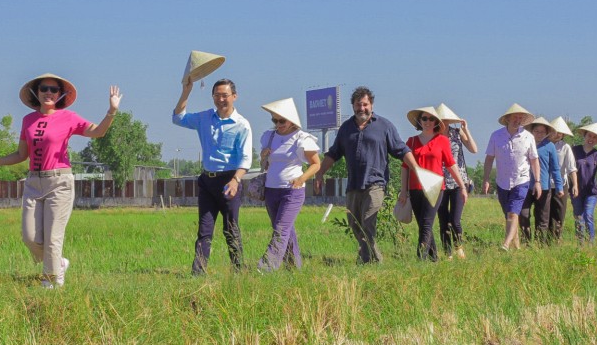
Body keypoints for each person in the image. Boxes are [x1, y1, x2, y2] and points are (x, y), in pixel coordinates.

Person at [0, 74, 121, 288]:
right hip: (33, 183)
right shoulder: (28, 120)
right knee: (29, 237)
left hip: (59, 182)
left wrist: (112, 111)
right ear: (36, 93)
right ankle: (59, 263)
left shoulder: (68, 117)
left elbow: (98, 132)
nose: (48, 92)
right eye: (44, 88)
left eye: (54, 90)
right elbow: (21, 154)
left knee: (53, 238)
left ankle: (51, 282)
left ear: (60, 95)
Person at [315, 86, 418, 264]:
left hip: (376, 183)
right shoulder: (346, 128)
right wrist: (319, 174)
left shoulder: (384, 126)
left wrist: (416, 168)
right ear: (353, 106)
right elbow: (333, 153)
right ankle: (365, 257)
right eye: (358, 105)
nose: (361, 108)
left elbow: (401, 149)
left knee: (368, 221)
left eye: (365, 104)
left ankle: (374, 261)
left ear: (371, 105)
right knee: (354, 224)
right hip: (354, 184)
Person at [173, 77, 253, 275]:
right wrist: (186, 91)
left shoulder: (242, 125)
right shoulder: (204, 118)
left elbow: (245, 158)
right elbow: (178, 118)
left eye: (225, 95)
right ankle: (198, 273)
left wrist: (235, 180)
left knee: (230, 228)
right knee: (204, 230)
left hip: (229, 181)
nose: (221, 99)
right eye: (217, 95)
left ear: (234, 96)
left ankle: (238, 271)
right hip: (207, 181)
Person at [257, 98, 320, 272]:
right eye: (275, 121)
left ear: (291, 120)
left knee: (281, 229)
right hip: (271, 190)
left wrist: (301, 179)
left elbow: (316, 164)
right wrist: (263, 156)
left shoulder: (301, 138)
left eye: (282, 121)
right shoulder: (269, 137)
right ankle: (294, 267)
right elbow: (265, 165)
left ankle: (266, 267)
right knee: (285, 229)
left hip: (292, 191)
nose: (278, 124)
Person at [399, 106, 469, 261]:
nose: (427, 121)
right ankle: (433, 258)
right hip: (415, 188)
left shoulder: (442, 140)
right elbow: (404, 167)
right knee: (423, 225)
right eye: (424, 118)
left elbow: (451, 164)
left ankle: (421, 259)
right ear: (419, 121)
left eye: (431, 119)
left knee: (426, 224)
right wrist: (403, 190)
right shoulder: (411, 141)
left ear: (436, 122)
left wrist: (462, 186)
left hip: (435, 187)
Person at [482, 104, 541, 252]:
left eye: (520, 118)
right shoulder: (496, 136)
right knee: (509, 215)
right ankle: (517, 246)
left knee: (513, 213)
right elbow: (489, 159)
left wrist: (537, 181)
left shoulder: (528, 137)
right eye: (515, 117)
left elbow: (534, 160)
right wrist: (486, 179)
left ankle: (506, 244)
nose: (517, 120)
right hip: (502, 182)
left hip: (521, 180)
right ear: (507, 119)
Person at [436, 103, 478, 259]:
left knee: (455, 219)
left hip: (458, 182)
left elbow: (474, 149)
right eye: (441, 119)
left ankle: (458, 247)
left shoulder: (457, 133)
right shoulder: (432, 136)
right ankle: (447, 253)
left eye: (446, 119)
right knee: (443, 219)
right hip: (439, 182)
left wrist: (466, 129)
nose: (444, 122)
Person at [518, 117, 564, 245]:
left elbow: (555, 168)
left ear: (547, 133)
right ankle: (526, 242)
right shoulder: (525, 143)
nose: (539, 134)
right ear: (532, 131)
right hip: (525, 185)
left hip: (544, 187)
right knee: (523, 215)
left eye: (542, 132)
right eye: (536, 131)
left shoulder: (550, 146)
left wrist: (559, 186)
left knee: (542, 218)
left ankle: (540, 244)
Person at [548, 117, 578, 242]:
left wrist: (575, 184)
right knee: (544, 213)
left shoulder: (565, 147)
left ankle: (556, 239)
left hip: (560, 184)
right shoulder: (542, 144)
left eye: (561, 133)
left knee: (559, 213)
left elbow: (571, 168)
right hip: (545, 184)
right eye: (556, 131)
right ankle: (543, 240)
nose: (558, 134)